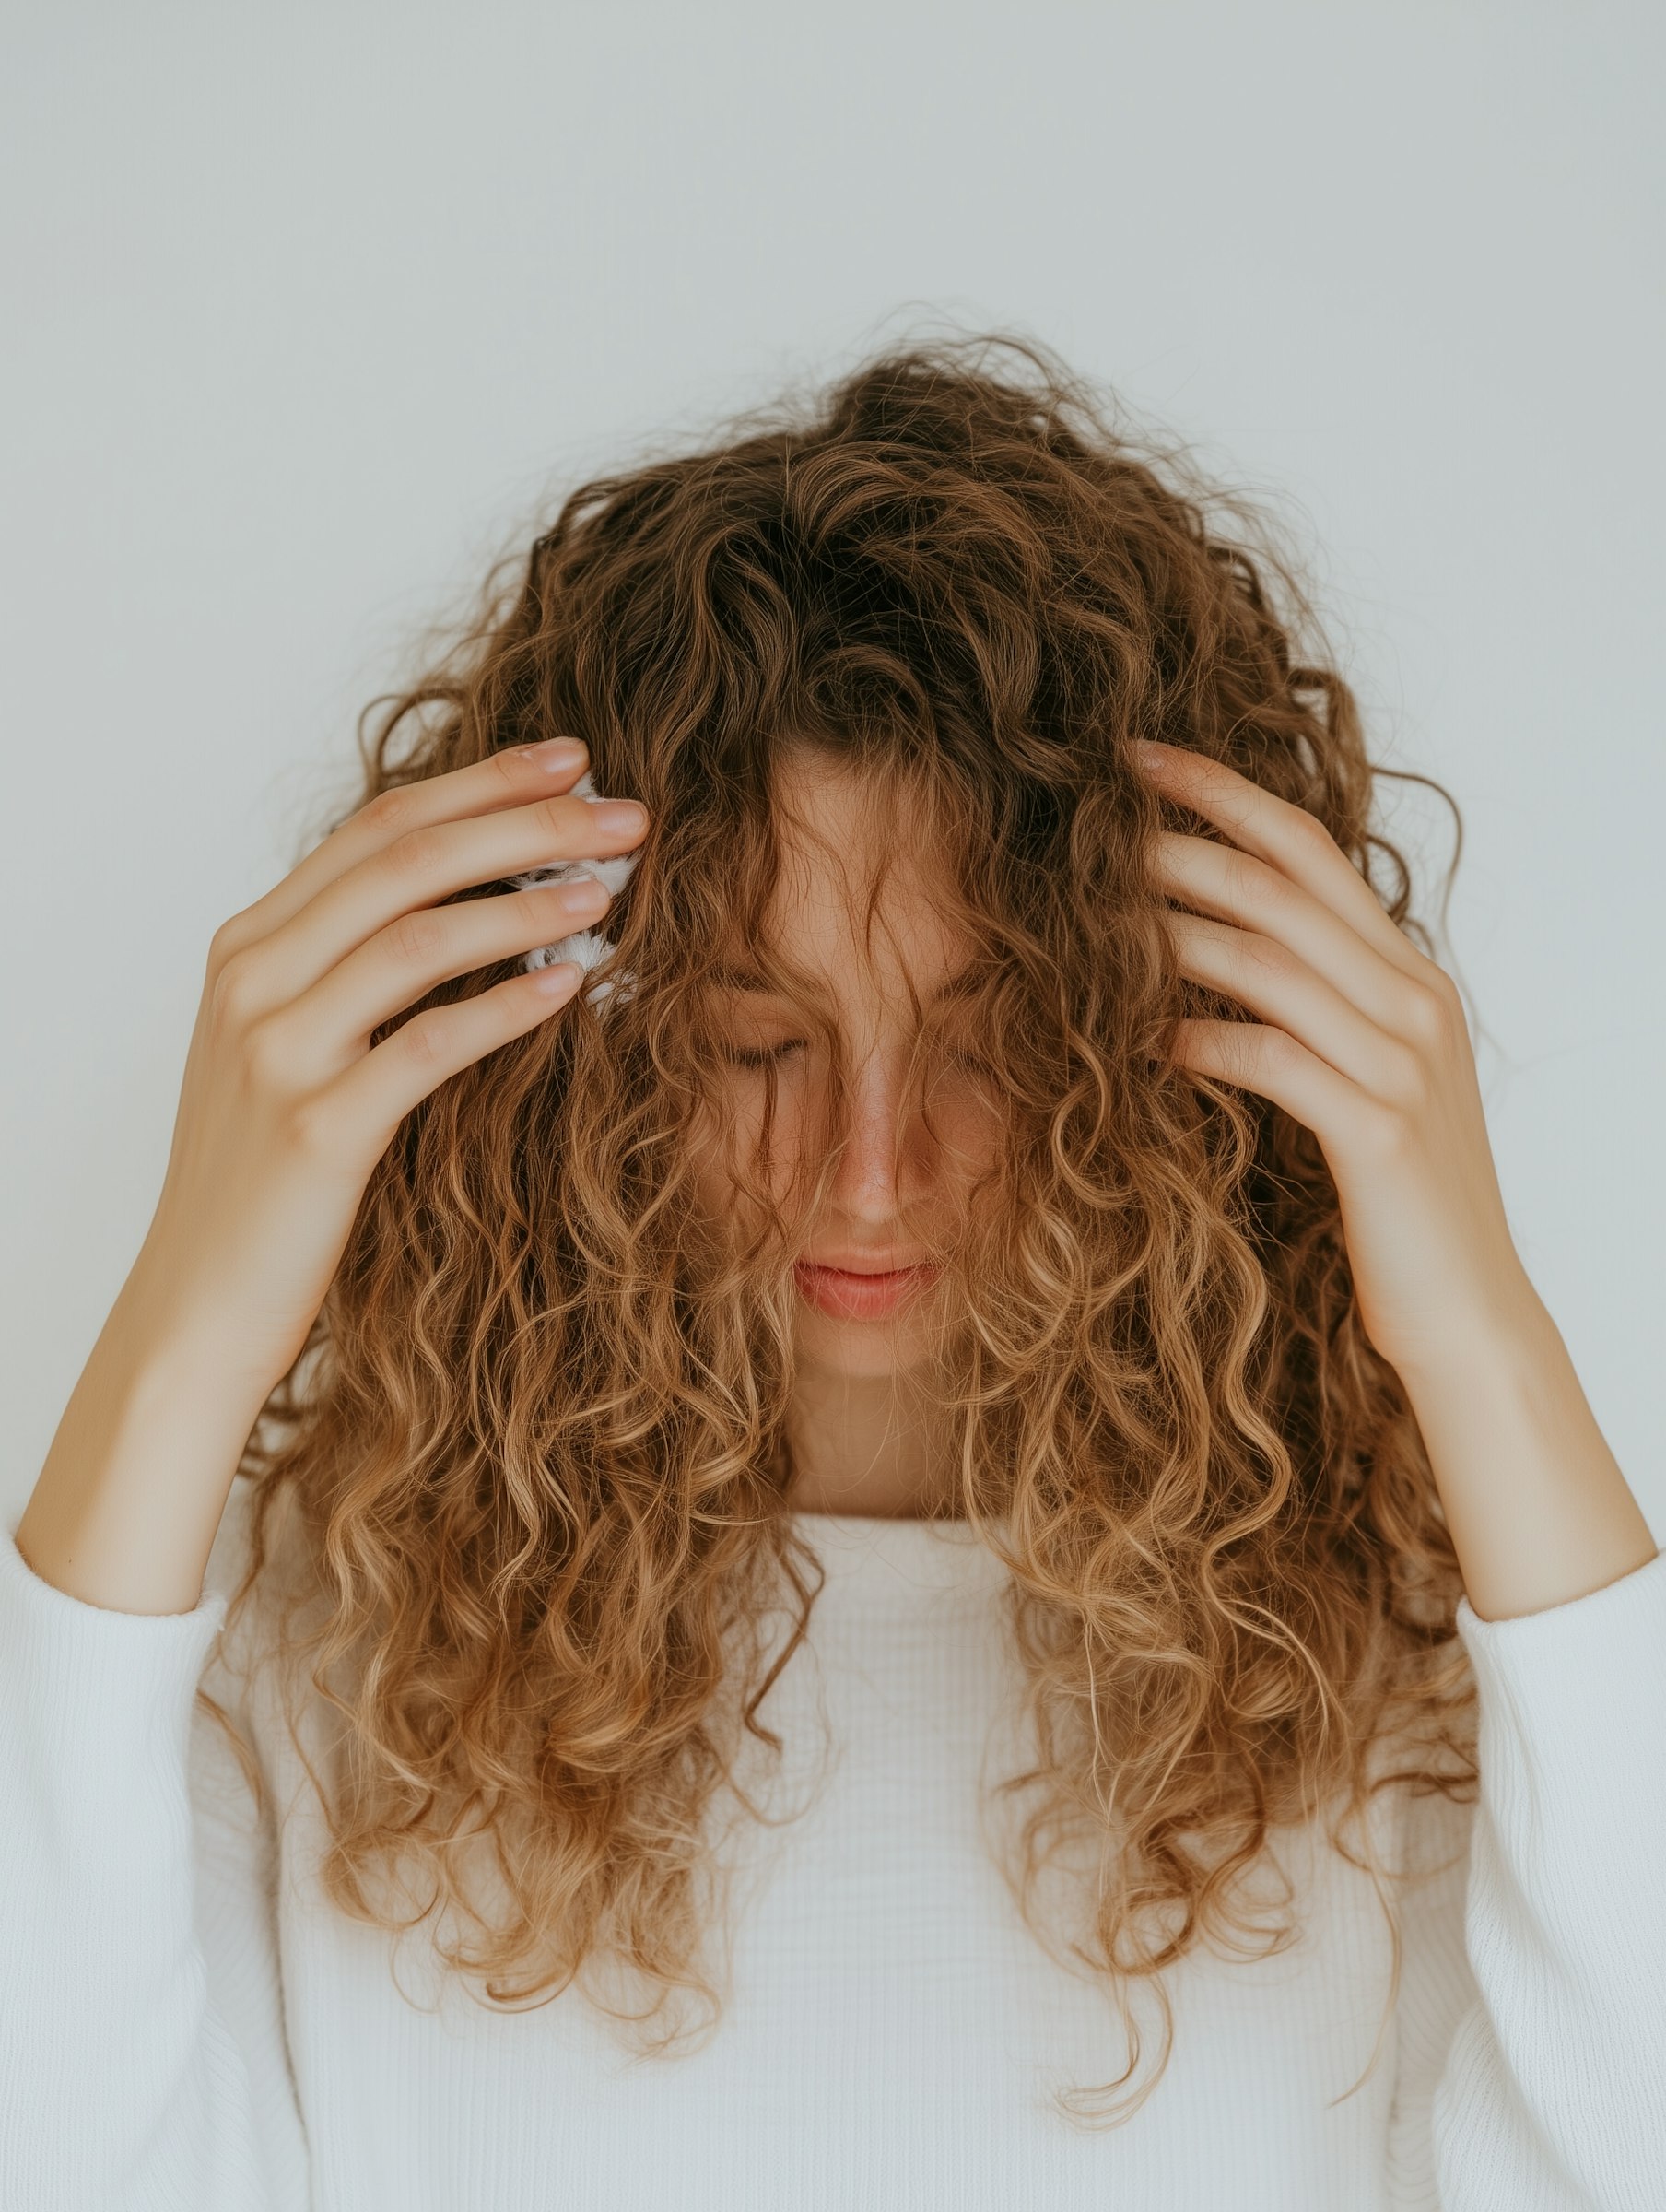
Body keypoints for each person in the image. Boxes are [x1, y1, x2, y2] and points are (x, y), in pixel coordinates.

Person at [3, 336, 1660, 2211]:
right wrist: (184, 1336)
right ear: (583, 1054)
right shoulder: (311, 1675)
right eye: (749, 1041)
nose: (870, 1173)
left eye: (992, 1042)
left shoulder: (1393, 1697)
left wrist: (1481, 1342)